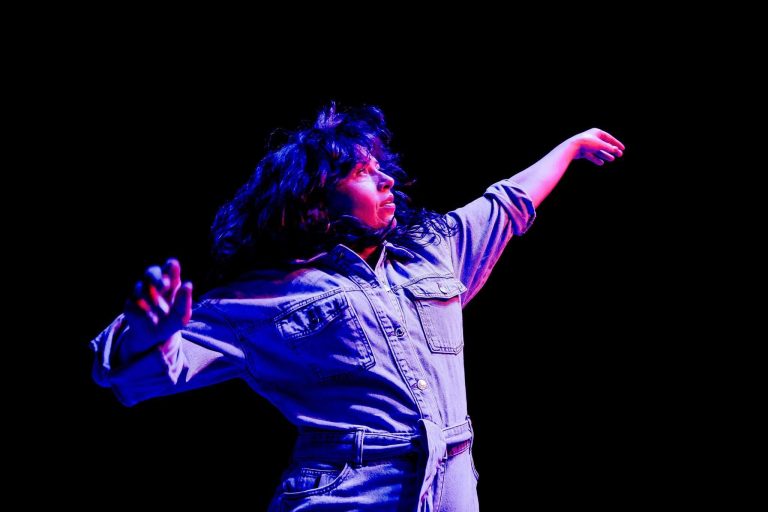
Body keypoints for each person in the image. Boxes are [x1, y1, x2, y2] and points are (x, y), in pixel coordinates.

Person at [90, 103, 624, 511]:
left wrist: (570, 148)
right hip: (347, 491)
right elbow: (144, 370)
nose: (387, 179)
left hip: (452, 488)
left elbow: (505, 204)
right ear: (315, 197)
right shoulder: (268, 293)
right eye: (364, 172)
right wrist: (143, 333)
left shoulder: (431, 254)